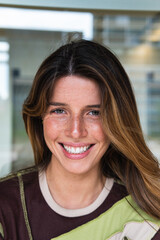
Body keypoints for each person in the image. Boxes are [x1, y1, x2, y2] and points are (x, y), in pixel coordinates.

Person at [0, 39, 160, 240]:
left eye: (93, 112)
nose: (76, 131)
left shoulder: (146, 220)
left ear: (117, 120)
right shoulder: (5, 206)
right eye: (59, 111)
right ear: (39, 117)